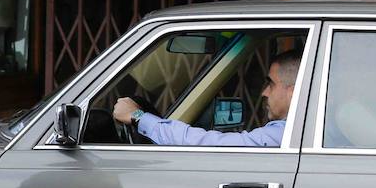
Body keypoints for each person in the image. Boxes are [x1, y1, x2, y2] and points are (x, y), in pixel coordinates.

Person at [113, 49, 302, 147]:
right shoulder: (300, 133)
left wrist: (138, 116)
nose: (264, 93)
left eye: (270, 84)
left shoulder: (286, 135)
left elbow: (211, 144)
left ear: (292, 91)